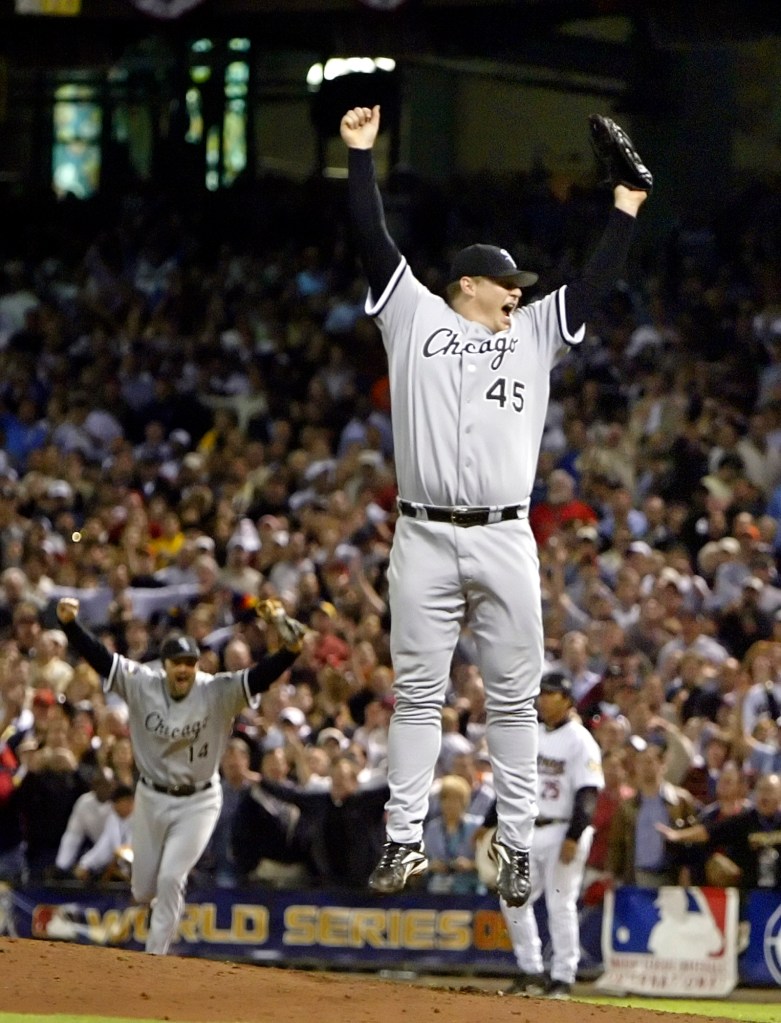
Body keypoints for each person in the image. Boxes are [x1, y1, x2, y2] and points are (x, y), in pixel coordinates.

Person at [339, 104, 649, 905]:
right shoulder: (414, 317)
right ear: (467, 285)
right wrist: (361, 157)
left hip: (506, 534)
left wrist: (624, 206)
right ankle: (402, 840)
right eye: (505, 283)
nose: (519, 293)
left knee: (513, 699)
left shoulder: (534, 332)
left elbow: (593, 280)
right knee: (416, 693)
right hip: (422, 533)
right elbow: (373, 241)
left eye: (521, 286)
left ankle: (514, 844)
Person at [54, 595, 306, 955]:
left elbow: (261, 676)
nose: (184, 669)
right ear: (165, 665)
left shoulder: (217, 690)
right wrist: (69, 625)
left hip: (198, 800)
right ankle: (159, 918)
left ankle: (154, 963)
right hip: (152, 797)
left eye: (190, 662)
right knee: (142, 889)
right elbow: (101, 659)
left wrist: (288, 653)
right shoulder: (142, 682)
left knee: (172, 877)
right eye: (177, 663)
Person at [497, 672, 603, 999]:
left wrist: (574, 835)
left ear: (568, 700)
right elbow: (513, 783)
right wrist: (492, 822)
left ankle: (563, 976)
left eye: (551, 693)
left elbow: (588, 794)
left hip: (564, 828)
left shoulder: (580, 740)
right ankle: (531, 969)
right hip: (531, 828)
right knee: (512, 897)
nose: (543, 698)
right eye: (541, 692)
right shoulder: (533, 734)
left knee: (560, 903)